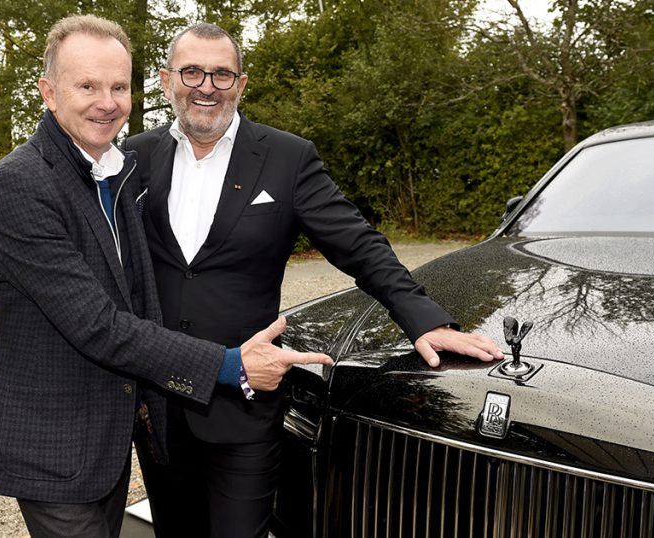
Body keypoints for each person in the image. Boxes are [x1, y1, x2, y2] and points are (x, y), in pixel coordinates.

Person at [125, 22, 505, 538]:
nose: (206, 86)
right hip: (160, 403)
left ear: (241, 83)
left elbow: (359, 245)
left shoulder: (286, 157)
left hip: (246, 403)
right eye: (192, 72)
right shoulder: (135, 156)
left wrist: (424, 319)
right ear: (167, 79)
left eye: (221, 74)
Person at [0, 15, 331, 538]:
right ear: (48, 92)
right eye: (87, 86)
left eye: (118, 87)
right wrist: (230, 365)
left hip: (109, 442)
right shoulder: (20, 182)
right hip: (53, 444)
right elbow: (96, 323)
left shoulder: (114, 171)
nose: (107, 102)